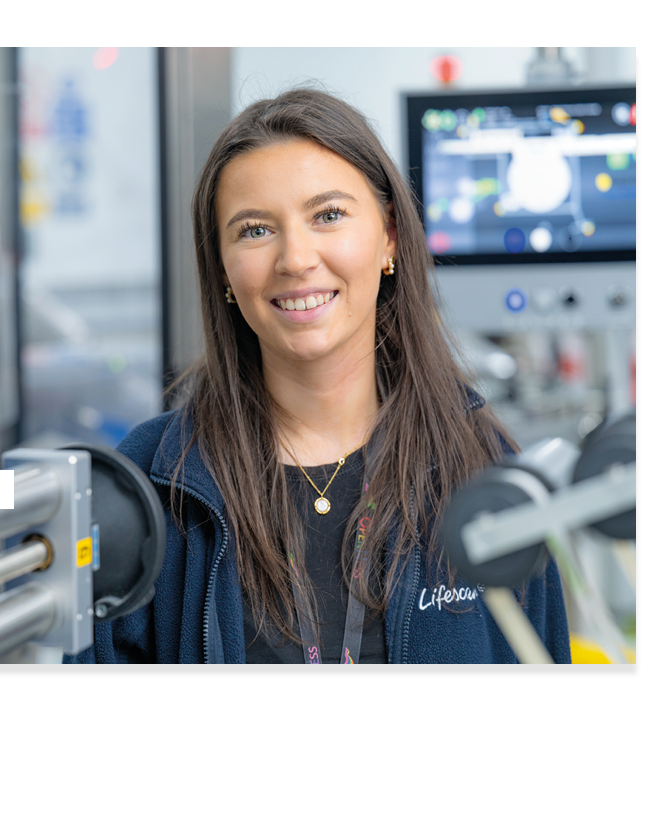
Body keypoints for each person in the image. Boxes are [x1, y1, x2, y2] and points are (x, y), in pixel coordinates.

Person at [66, 88, 571, 664]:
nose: (296, 259)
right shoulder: (150, 485)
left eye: (328, 215)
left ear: (389, 238)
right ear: (225, 271)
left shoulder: (482, 465)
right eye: (255, 230)